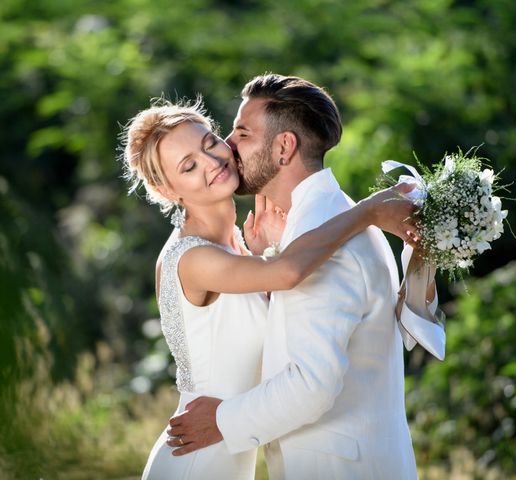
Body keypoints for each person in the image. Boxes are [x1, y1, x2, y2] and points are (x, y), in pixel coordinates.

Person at [119, 97, 419, 479]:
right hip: (197, 456)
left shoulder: (238, 250)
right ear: (167, 191)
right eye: (189, 166)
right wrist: (368, 212)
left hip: (228, 451)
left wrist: (262, 255)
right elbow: (289, 270)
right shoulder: (192, 258)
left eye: (209, 142)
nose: (212, 162)